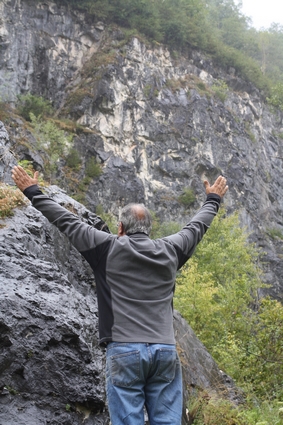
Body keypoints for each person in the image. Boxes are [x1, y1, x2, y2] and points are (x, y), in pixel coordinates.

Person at [12, 165, 228, 425]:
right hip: (165, 351)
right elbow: (197, 226)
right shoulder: (171, 250)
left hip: (125, 349)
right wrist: (213, 199)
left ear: (120, 227)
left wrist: (32, 191)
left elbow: (65, 221)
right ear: (149, 228)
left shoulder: (105, 248)